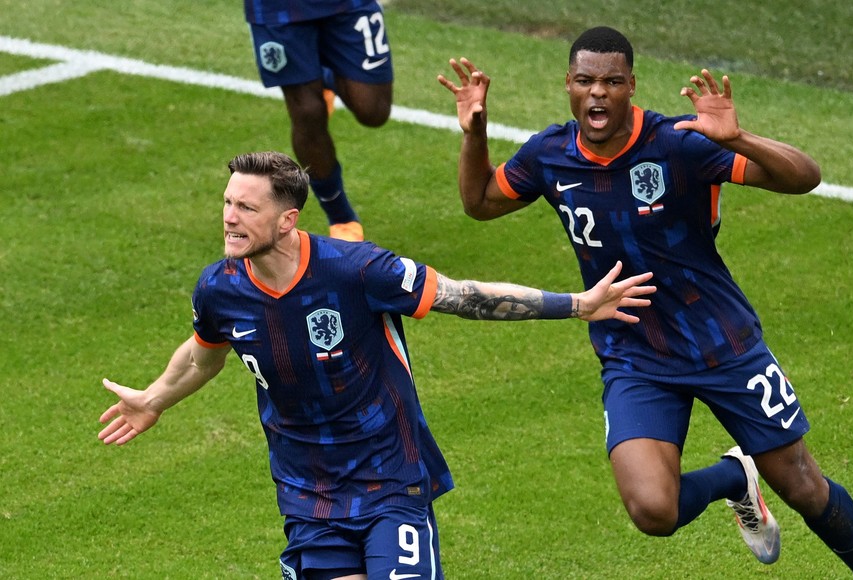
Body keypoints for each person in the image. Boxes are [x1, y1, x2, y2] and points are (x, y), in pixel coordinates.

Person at [97, 151, 655, 579]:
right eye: (226, 203)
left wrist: (577, 305)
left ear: (288, 219)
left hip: (390, 476)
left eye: (246, 208)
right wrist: (154, 398)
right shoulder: (219, 289)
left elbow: (463, 296)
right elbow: (202, 355)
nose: (229, 218)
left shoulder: (357, 270)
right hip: (307, 492)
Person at [438, 26, 853, 576]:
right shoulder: (549, 155)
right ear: (568, 84)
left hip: (722, 342)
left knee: (804, 488)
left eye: (613, 82)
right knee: (652, 511)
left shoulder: (678, 144)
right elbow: (479, 202)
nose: (598, 93)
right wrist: (475, 132)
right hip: (635, 352)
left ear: (632, 86)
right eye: (586, 81)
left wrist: (738, 139)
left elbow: (804, 178)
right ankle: (734, 479)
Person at [244, 0, 395, 242]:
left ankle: (318, 74)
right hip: (279, 8)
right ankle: (340, 215)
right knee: (307, 112)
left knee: (373, 111)